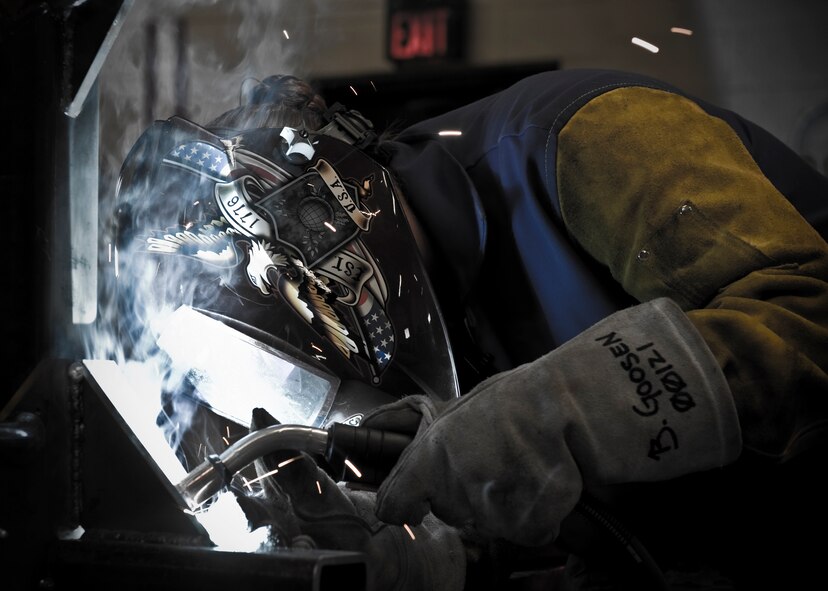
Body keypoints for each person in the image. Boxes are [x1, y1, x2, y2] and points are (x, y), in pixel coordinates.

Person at [113, 69, 828, 590]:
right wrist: (437, 558)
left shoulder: (585, 134)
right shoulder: (445, 341)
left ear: (313, 225)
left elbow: (808, 321)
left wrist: (558, 408)